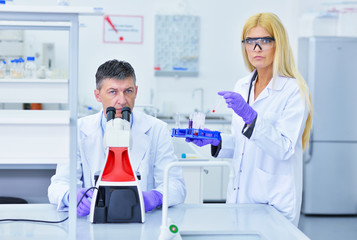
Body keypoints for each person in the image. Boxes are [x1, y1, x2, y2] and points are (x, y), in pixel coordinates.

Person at [186, 12, 313, 226]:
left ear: (278, 44)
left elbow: (285, 147)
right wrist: (215, 141)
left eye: (264, 40)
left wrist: (251, 117)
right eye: (250, 41)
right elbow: (242, 144)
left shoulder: (294, 90)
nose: (256, 48)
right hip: (240, 196)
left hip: (274, 200)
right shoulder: (242, 85)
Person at [48, 59, 186, 216]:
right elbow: (59, 185)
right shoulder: (78, 130)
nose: (121, 100)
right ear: (98, 95)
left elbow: (176, 186)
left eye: (128, 91)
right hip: (92, 220)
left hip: (143, 219)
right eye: (112, 92)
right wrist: (71, 196)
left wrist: (155, 197)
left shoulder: (157, 129)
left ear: (136, 91)